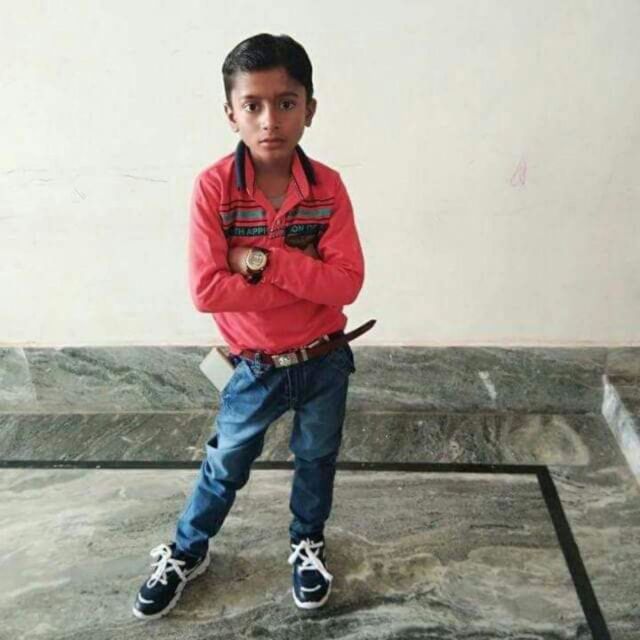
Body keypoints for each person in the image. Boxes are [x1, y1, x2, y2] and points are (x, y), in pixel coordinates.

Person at [133, 32, 373, 620]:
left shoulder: (328, 188)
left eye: (286, 103)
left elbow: (345, 284)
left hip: (323, 360)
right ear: (230, 113)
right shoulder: (214, 189)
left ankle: (307, 542)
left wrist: (259, 260)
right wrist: (305, 273)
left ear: (309, 109)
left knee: (317, 459)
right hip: (253, 367)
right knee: (225, 465)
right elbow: (207, 291)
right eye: (253, 105)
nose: (270, 120)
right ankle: (187, 550)